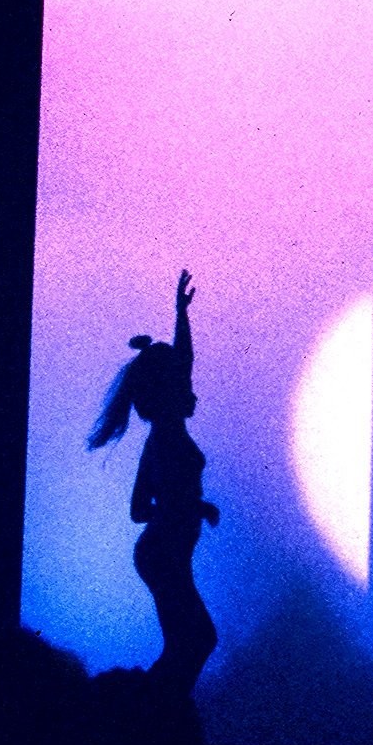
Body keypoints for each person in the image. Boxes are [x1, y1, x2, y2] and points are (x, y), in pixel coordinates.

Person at [88, 269, 221, 698]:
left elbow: (139, 510)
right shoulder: (165, 439)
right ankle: (157, 710)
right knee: (194, 641)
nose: (193, 390)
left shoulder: (165, 436)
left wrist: (181, 314)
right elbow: (145, 510)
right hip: (163, 554)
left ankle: (158, 706)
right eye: (184, 384)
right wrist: (193, 507)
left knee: (190, 642)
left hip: (163, 553)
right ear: (169, 391)